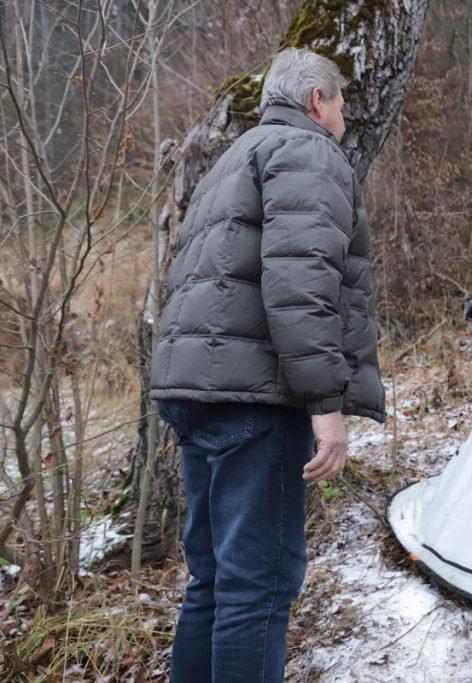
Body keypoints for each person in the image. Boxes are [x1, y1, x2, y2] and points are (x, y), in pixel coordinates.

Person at [150, 47, 385, 682]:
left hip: (195, 391)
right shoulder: (308, 153)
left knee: (215, 581)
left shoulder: (234, 158)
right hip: (254, 397)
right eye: (339, 104)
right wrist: (326, 406)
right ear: (316, 100)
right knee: (257, 590)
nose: (342, 119)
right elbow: (299, 286)